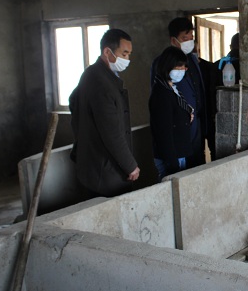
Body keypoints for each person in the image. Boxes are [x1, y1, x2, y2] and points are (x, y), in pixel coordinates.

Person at [69, 28, 140, 198]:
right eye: (124, 54)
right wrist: (130, 165)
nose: (127, 59)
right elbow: (111, 132)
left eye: (129, 54)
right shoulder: (101, 83)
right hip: (104, 170)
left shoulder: (91, 74)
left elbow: (73, 102)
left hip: (94, 166)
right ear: (107, 52)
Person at [151, 17, 208, 167]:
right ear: (173, 40)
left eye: (191, 37)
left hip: (196, 122)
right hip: (178, 125)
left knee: (197, 162)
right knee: (179, 166)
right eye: (185, 38)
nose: (189, 42)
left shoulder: (193, 60)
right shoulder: (162, 63)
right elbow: (159, 101)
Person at [149, 46, 195, 180]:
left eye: (184, 67)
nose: (182, 70)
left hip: (178, 152)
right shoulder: (161, 93)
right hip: (171, 156)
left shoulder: (171, 88)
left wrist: (186, 115)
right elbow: (163, 131)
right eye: (178, 67)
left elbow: (176, 113)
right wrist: (172, 162)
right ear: (167, 66)